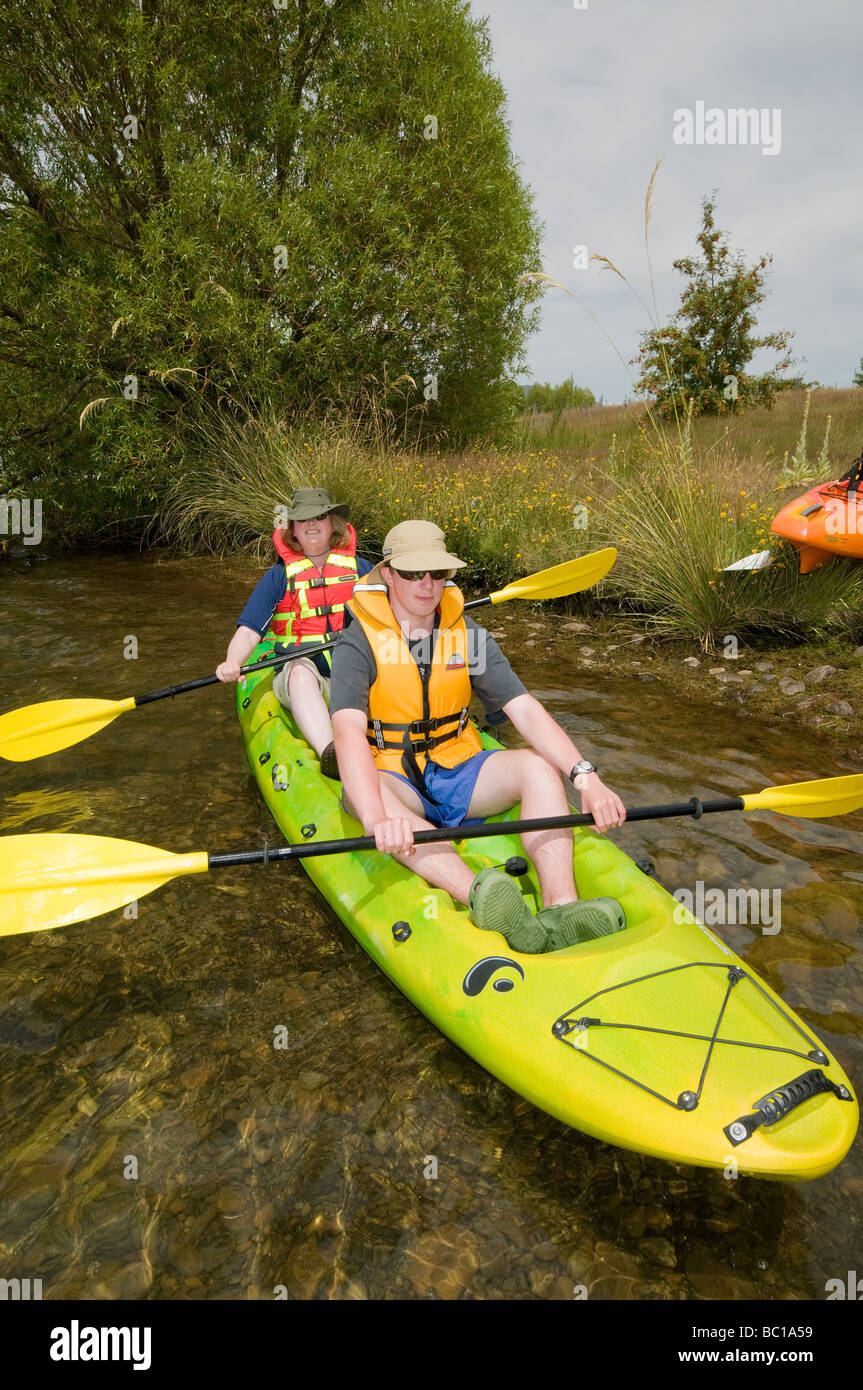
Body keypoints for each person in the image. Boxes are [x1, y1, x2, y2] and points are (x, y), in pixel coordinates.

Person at [330, 520, 628, 952]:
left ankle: (562, 908)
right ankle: (483, 896)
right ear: (389, 574)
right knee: (366, 794)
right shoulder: (357, 643)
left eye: (438, 572)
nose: (427, 584)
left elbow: (523, 709)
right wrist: (377, 818)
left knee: (537, 768)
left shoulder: (466, 634)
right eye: (413, 573)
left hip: (457, 765)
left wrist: (585, 777)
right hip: (393, 774)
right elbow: (348, 732)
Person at [216, 488, 372, 777]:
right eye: (303, 520)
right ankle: (332, 753)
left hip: (354, 673)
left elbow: (393, 615)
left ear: (332, 524)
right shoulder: (278, 577)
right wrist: (232, 661)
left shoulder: (362, 570)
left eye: (319, 517)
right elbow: (250, 630)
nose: (312, 524)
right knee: (300, 673)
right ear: (293, 531)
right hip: (306, 673)